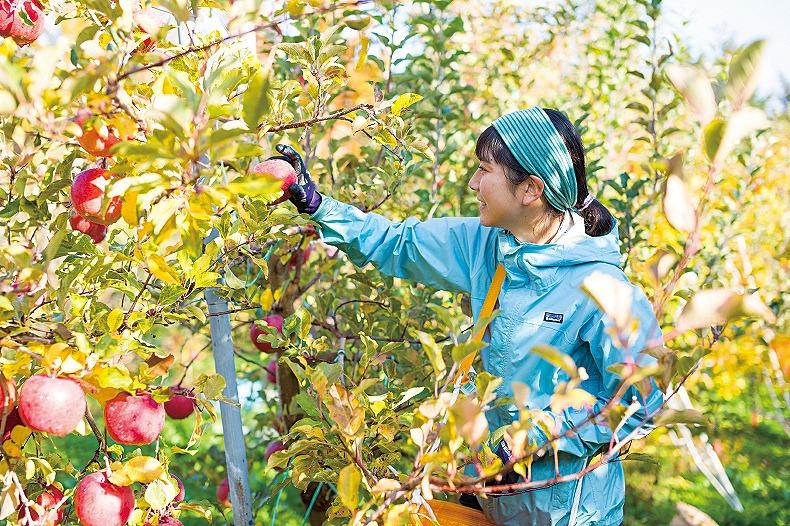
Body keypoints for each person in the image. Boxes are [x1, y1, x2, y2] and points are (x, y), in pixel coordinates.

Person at [269, 106, 664, 526]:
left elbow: (643, 401)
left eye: (483, 170)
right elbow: (397, 243)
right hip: (495, 499)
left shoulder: (603, 289)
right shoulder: (488, 245)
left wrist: (537, 436)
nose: (473, 183)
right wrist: (316, 205)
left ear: (531, 189)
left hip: (570, 513)